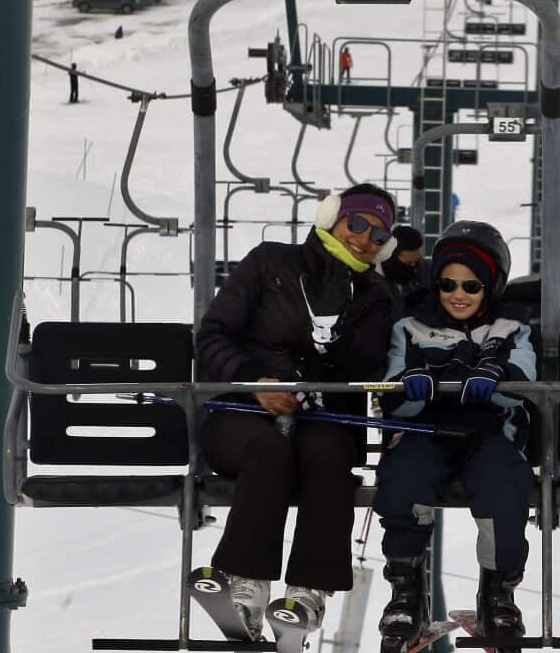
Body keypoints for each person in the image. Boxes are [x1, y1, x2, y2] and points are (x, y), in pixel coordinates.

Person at [195, 183, 399, 640]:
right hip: (242, 410)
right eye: (358, 223)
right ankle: (245, 585)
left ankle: (308, 591)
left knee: (327, 457)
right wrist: (254, 381)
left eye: (378, 234)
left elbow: (367, 364)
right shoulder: (270, 263)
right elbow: (212, 337)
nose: (364, 238)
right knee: (267, 450)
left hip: (324, 418)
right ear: (332, 217)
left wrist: (335, 334)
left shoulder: (376, 295)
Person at [373, 221, 536, 651]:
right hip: (423, 431)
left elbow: (524, 384)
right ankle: (405, 590)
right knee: (403, 478)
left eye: (471, 285)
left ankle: (498, 591)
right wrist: (412, 388)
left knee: (505, 484)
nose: (458, 294)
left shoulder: (511, 328)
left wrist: (496, 379)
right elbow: (391, 392)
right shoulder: (410, 326)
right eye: (447, 284)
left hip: (489, 434)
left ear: (491, 286)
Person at [380, 225, 432, 317]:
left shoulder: (427, 270)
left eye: (416, 262)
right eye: (408, 263)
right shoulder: (376, 280)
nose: (413, 267)